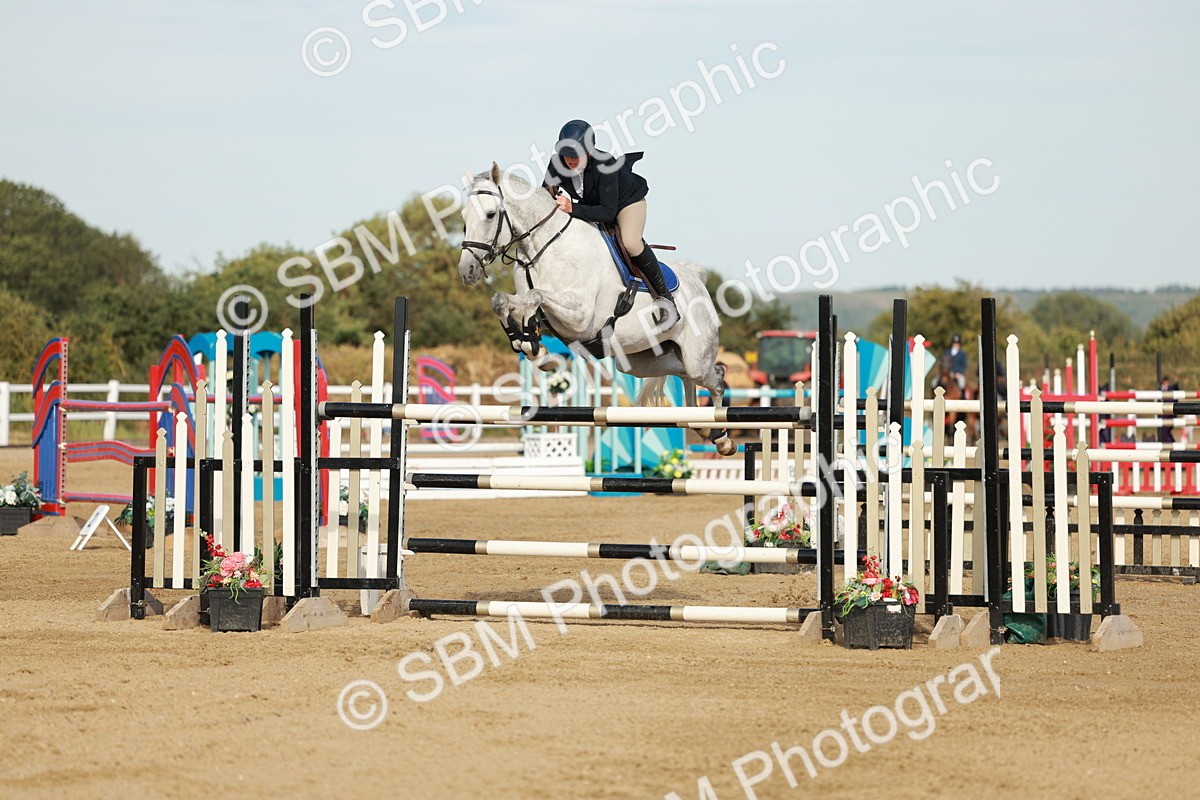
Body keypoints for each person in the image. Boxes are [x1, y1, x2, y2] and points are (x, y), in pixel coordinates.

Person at [542, 119, 677, 326]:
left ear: (589, 152)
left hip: (625, 204)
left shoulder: (605, 164)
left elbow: (607, 212)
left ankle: (666, 299)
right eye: (566, 154)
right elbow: (545, 196)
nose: (569, 159)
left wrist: (572, 208)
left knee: (631, 243)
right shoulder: (557, 163)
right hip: (593, 205)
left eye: (575, 155)